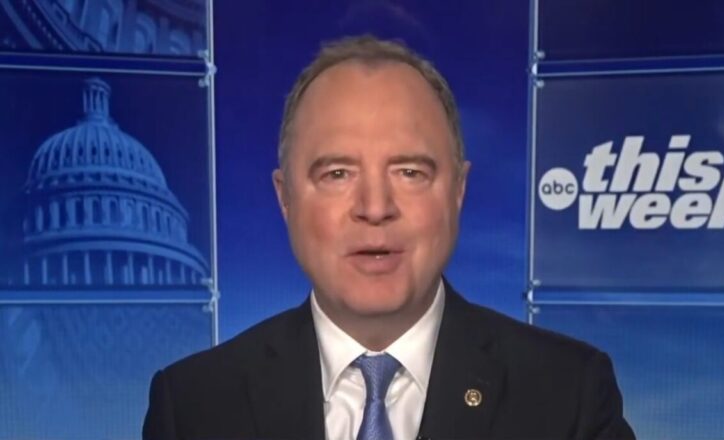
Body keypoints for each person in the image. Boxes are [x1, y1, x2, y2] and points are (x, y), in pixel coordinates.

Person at [143, 35, 635, 440]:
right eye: (337, 173)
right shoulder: (192, 405)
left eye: (410, 172)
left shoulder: (569, 395)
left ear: (458, 191)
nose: (375, 207)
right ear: (285, 197)